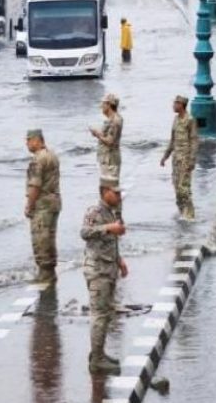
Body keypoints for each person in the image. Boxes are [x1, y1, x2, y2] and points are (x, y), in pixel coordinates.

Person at [81, 176, 129, 374]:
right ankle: (97, 360)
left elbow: (112, 242)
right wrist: (109, 228)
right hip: (98, 270)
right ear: (104, 192)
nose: (118, 196)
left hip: (109, 269)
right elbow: (84, 232)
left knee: (106, 313)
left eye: (119, 193)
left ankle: (98, 352)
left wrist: (120, 261)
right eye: (115, 192)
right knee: (99, 316)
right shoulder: (95, 211)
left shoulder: (112, 212)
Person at [25, 129, 61, 284]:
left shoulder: (37, 160)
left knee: (41, 239)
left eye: (28, 140)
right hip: (54, 202)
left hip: (42, 205)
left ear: (37, 140)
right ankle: (50, 271)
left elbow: (35, 186)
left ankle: (45, 273)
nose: (26, 144)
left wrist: (29, 205)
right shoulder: (52, 155)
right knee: (50, 238)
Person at [160, 95, 199, 220]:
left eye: (175, 104)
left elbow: (194, 141)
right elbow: (172, 140)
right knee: (177, 187)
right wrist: (165, 156)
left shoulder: (190, 120)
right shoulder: (176, 119)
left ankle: (190, 215)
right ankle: (182, 212)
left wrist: (192, 160)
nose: (173, 106)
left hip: (185, 159)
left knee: (184, 188)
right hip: (176, 159)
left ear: (181, 105)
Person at [90, 93, 123, 179]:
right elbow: (109, 135)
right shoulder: (112, 119)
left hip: (110, 159)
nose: (102, 107)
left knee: (110, 187)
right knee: (108, 187)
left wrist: (97, 135)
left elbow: (110, 141)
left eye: (103, 104)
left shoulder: (115, 120)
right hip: (107, 158)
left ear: (109, 105)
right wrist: (98, 133)